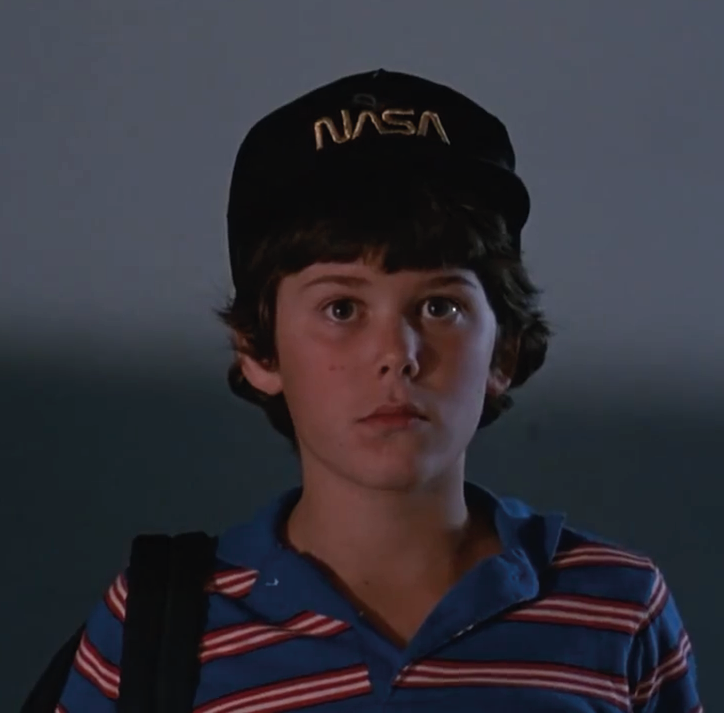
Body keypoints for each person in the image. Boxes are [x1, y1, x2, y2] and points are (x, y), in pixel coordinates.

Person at [53, 69, 702, 712]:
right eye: (341, 308)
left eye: (441, 307)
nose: (397, 354)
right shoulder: (161, 627)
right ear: (258, 349)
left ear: (503, 350)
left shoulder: (617, 610)